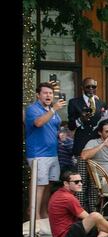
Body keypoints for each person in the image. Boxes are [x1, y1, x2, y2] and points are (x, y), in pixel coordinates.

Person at [25, 82, 66, 220]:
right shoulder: (33, 109)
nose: (49, 95)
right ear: (38, 95)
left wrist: (60, 134)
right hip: (38, 154)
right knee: (39, 185)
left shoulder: (51, 110)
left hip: (52, 153)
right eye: (45, 93)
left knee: (49, 184)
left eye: (50, 93)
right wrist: (53, 109)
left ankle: (43, 215)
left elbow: (55, 126)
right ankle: (34, 217)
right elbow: (38, 123)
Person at [68, 78, 105, 213]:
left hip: (95, 147)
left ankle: (94, 213)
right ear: (82, 87)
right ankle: (80, 213)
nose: (91, 89)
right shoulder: (74, 102)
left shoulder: (100, 102)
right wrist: (80, 120)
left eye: (93, 87)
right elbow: (71, 126)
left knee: (95, 183)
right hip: (81, 147)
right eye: (88, 87)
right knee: (81, 182)